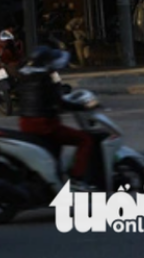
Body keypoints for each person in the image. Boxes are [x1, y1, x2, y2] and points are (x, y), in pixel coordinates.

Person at [16, 47, 94, 189]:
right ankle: (77, 179)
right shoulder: (45, 78)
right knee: (85, 139)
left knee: (55, 147)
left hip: (25, 123)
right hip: (45, 126)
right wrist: (82, 106)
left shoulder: (25, 76)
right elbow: (59, 102)